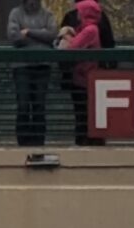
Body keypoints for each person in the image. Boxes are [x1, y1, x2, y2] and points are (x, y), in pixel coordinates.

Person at [60, 0, 115, 146]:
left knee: (85, 112)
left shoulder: (90, 30)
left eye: (80, 11)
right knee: (86, 112)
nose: (78, 13)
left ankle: (88, 140)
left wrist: (65, 37)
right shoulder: (87, 27)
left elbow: (73, 47)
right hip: (85, 77)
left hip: (85, 78)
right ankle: (89, 139)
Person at [9, 0, 58, 147]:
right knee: (23, 104)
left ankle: (38, 141)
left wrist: (28, 32)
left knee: (39, 104)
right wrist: (41, 33)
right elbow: (14, 37)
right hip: (21, 66)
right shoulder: (15, 13)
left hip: (43, 65)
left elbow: (52, 35)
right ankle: (23, 141)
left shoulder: (47, 14)